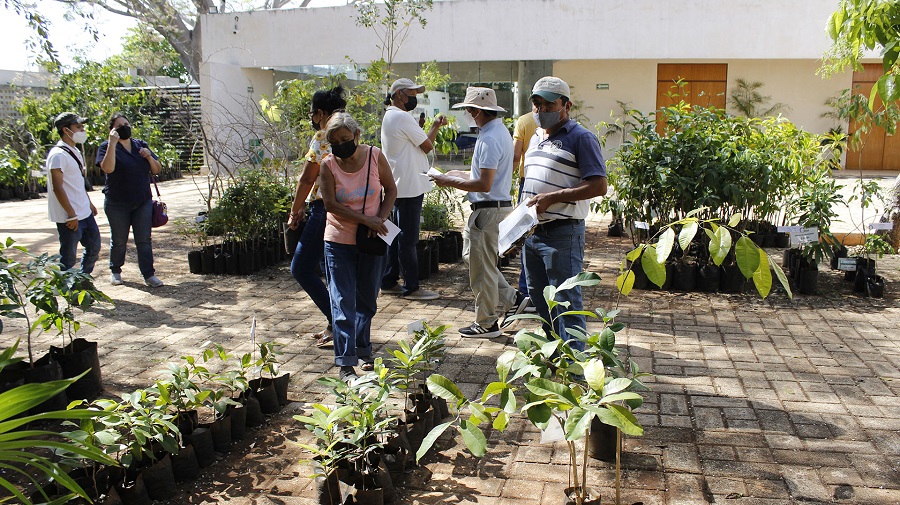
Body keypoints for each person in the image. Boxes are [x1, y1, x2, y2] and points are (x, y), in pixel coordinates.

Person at [433, 87, 528, 338]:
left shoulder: (488, 139)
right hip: (489, 209)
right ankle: (511, 298)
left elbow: (484, 184)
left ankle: (486, 323)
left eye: (467, 110)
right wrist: (456, 175)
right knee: (473, 259)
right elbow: (485, 178)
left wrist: (448, 182)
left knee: (482, 269)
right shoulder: (497, 133)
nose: (466, 114)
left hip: (487, 211)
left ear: (476, 111)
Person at [521, 77, 607, 350]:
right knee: (539, 298)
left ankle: (574, 366)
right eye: (537, 104)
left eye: (549, 104)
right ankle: (555, 353)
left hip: (562, 234)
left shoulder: (580, 138)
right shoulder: (535, 137)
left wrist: (552, 198)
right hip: (533, 233)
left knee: (566, 301)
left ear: (566, 105)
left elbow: (599, 185)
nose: (541, 110)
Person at [319, 112, 397, 381]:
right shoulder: (328, 165)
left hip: (371, 240)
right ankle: (345, 363)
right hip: (338, 241)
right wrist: (366, 219)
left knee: (367, 301)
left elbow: (391, 190)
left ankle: (364, 350)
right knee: (342, 302)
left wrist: (381, 219)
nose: (340, 144)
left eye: (344, 139)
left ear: (356, 135)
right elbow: (330, 204)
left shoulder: (375, 156)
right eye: (334, 141)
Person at [287, 86, 347, 348]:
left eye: (312, 114)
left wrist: (294, 210)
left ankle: (336, 321)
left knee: (300, 267)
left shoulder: (323, 136)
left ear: (320, 113)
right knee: (330, 271)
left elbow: (306, 178)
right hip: (346, 209)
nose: (312, 119)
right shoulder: (349, 133)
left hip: (324, 210)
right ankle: (335, 325)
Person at [380, 77, 447, 301]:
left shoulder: (391, 116)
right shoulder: (401, 116)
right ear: (399, 94)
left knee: (394, 237)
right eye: (412, 94)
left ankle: (389, 280)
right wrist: (435, 127)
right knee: (408, 240)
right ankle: (412, 287)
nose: (415, 98)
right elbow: (427, 146)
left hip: (397, 185)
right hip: (409, 186)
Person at [96, 113, 164, 288]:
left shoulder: (140, 145)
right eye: (119, 126)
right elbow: (108, 168)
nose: (124, 127)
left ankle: (149, 274)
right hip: (117, 203)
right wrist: (112, 143)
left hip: (142, 201)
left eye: (126, 123)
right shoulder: (106, 147)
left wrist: (149, 157)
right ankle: (116, 270)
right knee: (119, 240)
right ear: (112, 130)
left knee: (144, 240)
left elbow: (157, 170)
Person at [45, 112, 101, 274]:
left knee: (94, 247)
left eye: (82, 127)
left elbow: (76, 182)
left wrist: (88, 203)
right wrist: (71, 214)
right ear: (66, 130)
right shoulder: (58, 155)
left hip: (84, 212)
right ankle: (68, 290)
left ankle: (83, 281)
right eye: (78, 127)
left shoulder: (74, 151)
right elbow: (58, 187)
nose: (82, 130)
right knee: (68, 258)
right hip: (70, 217)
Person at [509, 111, 539, 319]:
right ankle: (539, 293)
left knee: (526, 234)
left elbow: (516, 155)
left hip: (526, 181)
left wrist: (505, 180)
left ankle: (526, 292)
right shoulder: (563, 119)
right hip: (548, 184)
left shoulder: (524, 121)